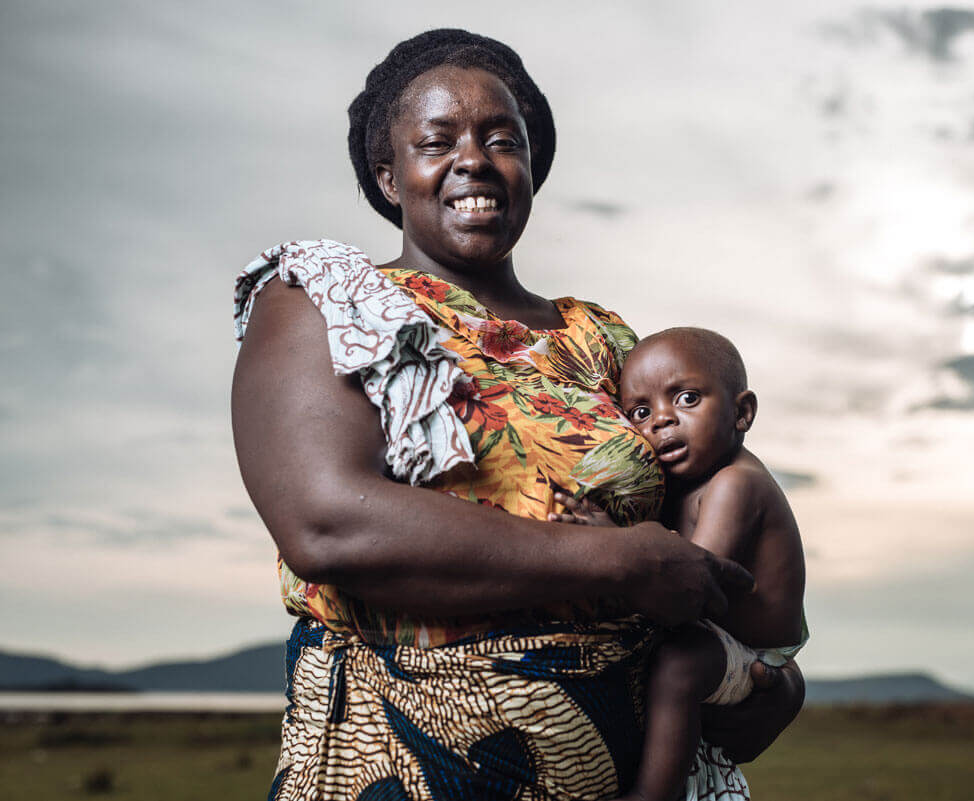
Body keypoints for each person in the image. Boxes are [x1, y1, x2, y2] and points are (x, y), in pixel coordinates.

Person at [231, 29, 805, 801]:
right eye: (437, 141)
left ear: (529, 168)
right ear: (389, 176)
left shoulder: (601, 339)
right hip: (399, 769)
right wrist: (618, 563)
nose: (474, 159)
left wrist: (770, 674)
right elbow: (327, 521)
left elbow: (714, 505)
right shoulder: (327, 302)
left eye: (502, 140)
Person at [550, 327, 809, 801]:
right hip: (726, 638)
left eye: (687, 398)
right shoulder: (689, 483)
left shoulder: (735, 484)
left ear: (741, 412)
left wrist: (616, 544)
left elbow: (691, 585)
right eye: (641, 412)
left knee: (679, 663)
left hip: (756, 653)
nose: (662, 421)